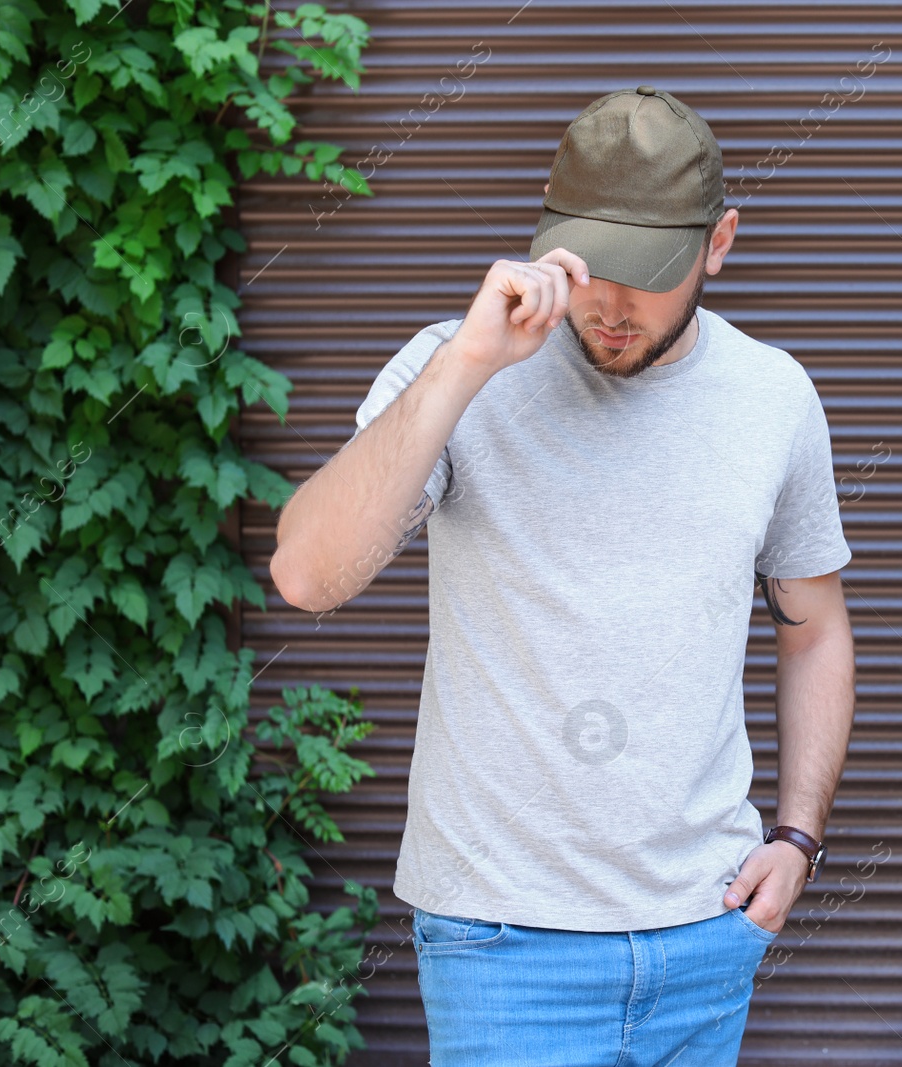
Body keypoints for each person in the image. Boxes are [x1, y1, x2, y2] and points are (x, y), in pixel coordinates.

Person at [268, 85, 856, 1065]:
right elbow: (306, 573)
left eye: (648, 270)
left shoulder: (774, 397)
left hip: (704, 930)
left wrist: (796, 837)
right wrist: (465, 362)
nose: (609, 305)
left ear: (719, 243)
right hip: (502, 942)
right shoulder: (451, 367)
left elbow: (815, 625)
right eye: (591, 263)